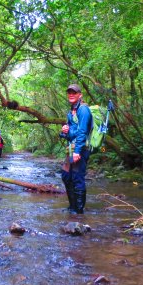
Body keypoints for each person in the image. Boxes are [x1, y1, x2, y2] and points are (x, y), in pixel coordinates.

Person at [59, 84, 92, 214]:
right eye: (69, 92)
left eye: (74, 92)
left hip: (80, 149)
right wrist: (64, 130)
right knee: (66, 176)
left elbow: (83, 131)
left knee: (77, 178)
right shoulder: (71, 111)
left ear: (80, 95)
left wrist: (78, 151)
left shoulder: (83, 110)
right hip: (71, 149)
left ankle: (79, 210)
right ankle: (72, 206)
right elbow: (71, 132)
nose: (71, 94)